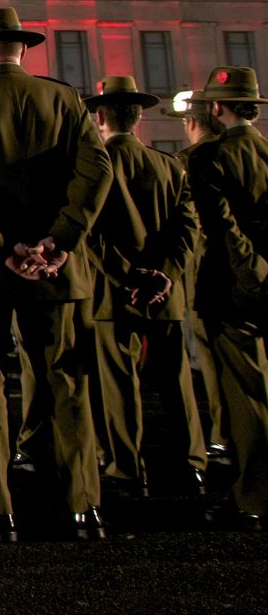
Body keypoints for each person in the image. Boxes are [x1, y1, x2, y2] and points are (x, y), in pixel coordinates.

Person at [0, 5, 113, 543]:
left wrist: (0, 246)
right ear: (23, 49)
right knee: (65, 380)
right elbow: (96, 171)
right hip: (53, 265)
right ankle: (83, 507)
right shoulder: (64, 98)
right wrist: (59, 240)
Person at [84, 75, 204, 498]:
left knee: (118, 385)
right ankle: (191, 464)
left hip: (112, 293)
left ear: (100, 116)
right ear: (138, 118)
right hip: (164, 292)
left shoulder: (94, 165)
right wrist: (165, 273)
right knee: (176, 383)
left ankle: (127, 467)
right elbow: (187, 229)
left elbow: (90, 233)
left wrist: (127, 275)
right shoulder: (169, 166)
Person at [187, 65, 268, 531]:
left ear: (216, 108)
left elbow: (222, 228)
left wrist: (253, 277)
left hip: (234, 289)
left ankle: (255, 497)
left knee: (246, 398)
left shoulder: (209, 158)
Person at [173, 90, 232, 464]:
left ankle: (224, 436)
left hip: (206, 271)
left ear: (192, 122)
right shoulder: (242, 151)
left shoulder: (193, 160)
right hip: (248, 271)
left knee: (211, 359)